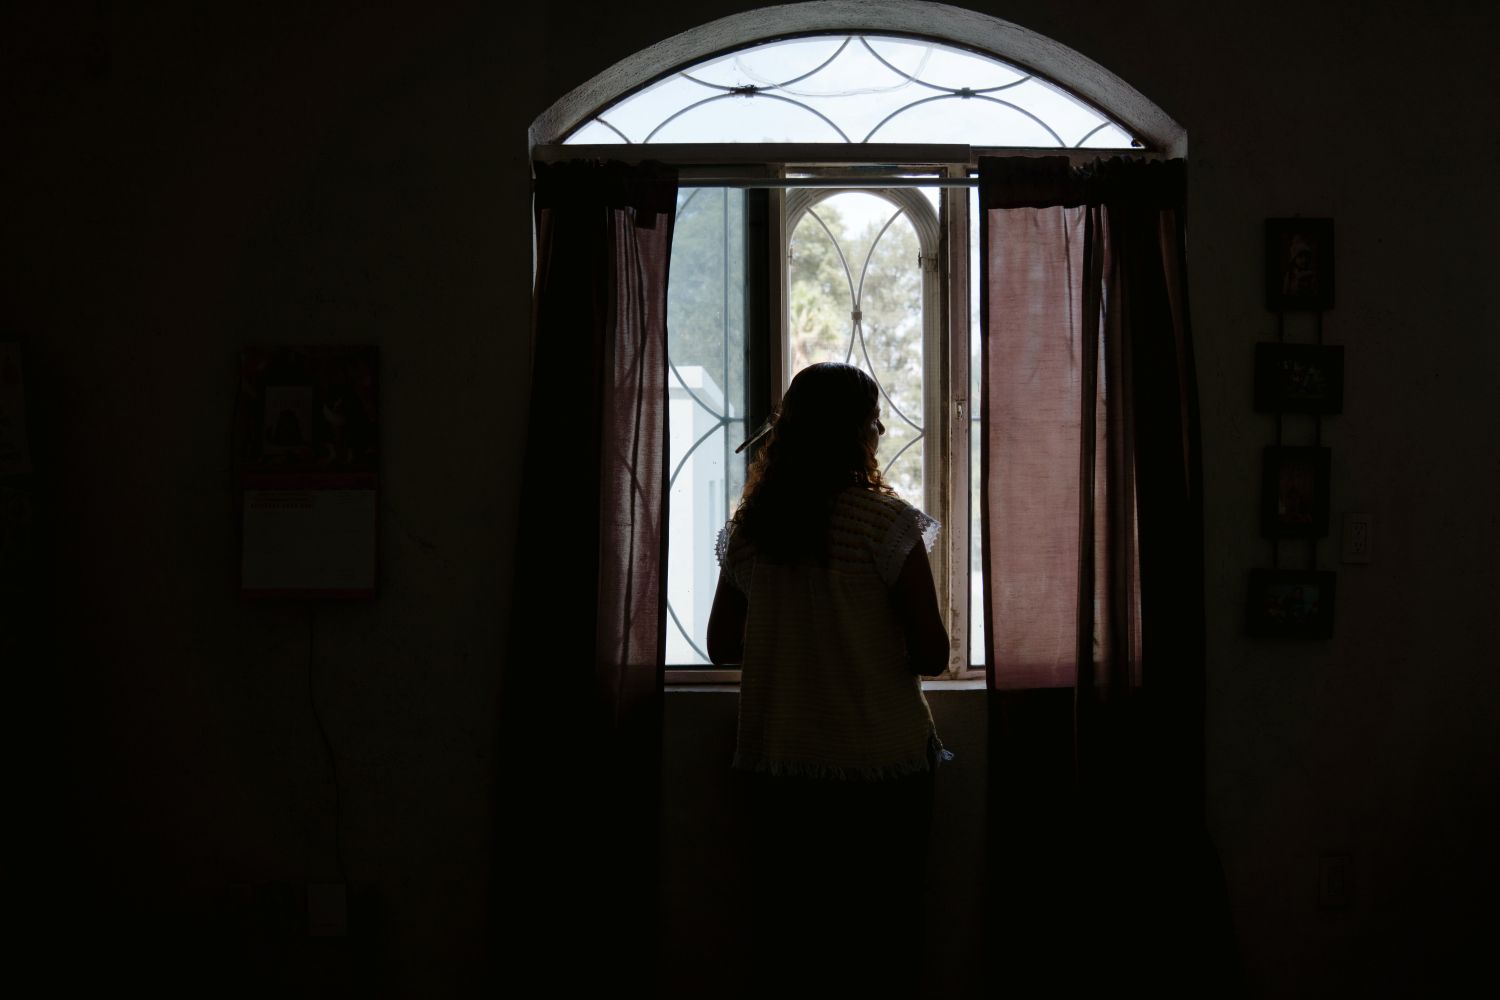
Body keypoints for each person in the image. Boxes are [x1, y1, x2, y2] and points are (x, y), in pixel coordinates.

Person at [706, 361, 949, 997]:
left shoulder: (753, 531)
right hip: (883, 765)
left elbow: (720, 645)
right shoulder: (887, 524)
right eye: (875, 423)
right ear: (861, 434)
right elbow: (931, 654)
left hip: (781, 763)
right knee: (881, 942)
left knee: (794, 944)